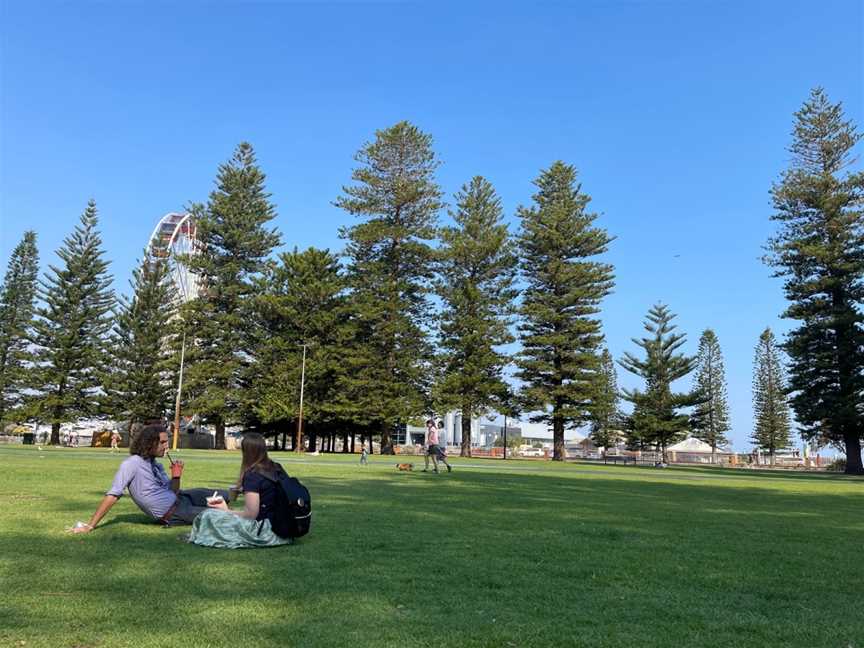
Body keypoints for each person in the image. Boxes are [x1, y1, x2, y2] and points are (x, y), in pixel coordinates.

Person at [69, 423, 230, 533]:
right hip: (175, 513)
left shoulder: (155, 464)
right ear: (150, 443)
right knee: (220, 516)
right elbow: (113, 495)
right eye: (163, 442)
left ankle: (247, 493)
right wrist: (90, 525)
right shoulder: (132, 464)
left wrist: (176, 477)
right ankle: (251, 516)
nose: (166, 446)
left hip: (182, 498)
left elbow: (173, 491)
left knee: (223, 494)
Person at [187, 433, 291, 549]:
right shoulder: (277, 467)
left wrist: (226, 510)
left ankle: (198, 537)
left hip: (266, 532)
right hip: (285, 527)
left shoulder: (253, 475)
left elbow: (250, 514)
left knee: (207, 515)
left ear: (246, 452)